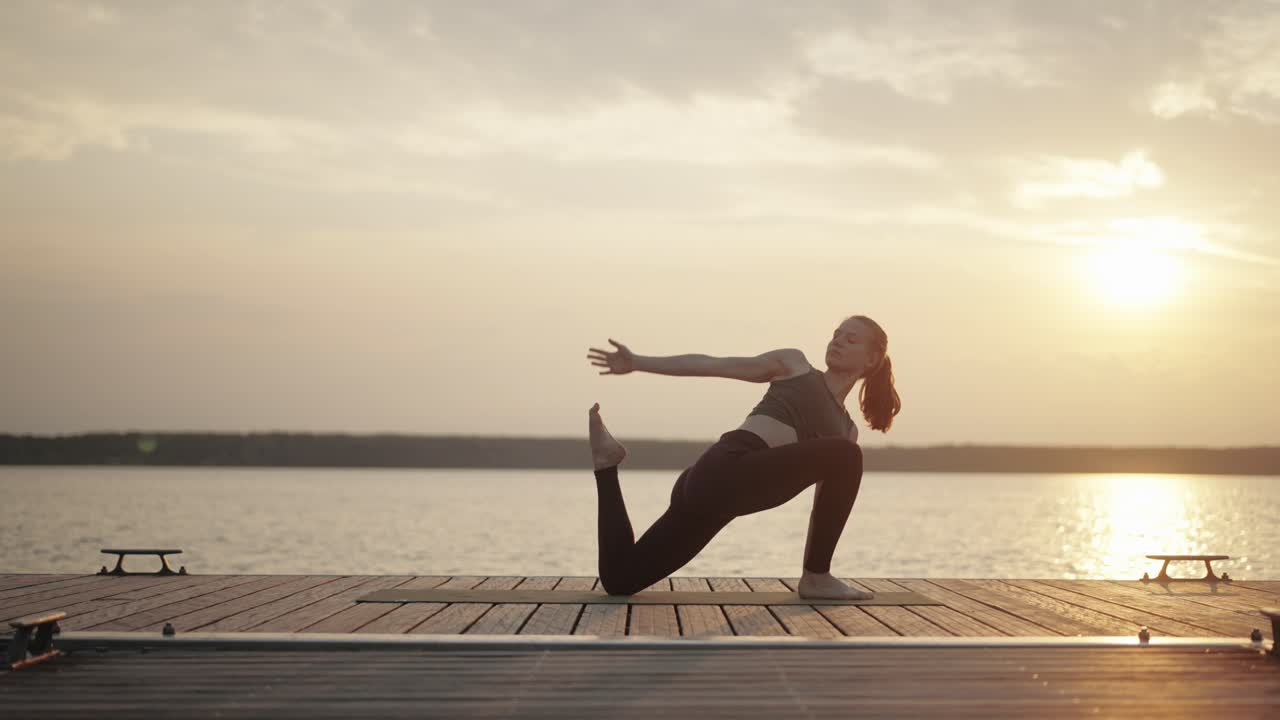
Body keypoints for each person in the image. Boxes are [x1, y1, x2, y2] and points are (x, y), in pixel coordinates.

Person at [585, 315, 901, 599]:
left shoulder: (846, 432)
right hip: (725, 469)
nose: (837, 341)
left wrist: (816, 557)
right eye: (836, 333)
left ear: (872, 359)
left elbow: (825, 513)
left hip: (719, 498)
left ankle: (606, 465)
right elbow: (713, 364)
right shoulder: (796, 367)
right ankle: (816, 578)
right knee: (848, 455)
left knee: (621, 579)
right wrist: (638, 362)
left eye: (851, 339)